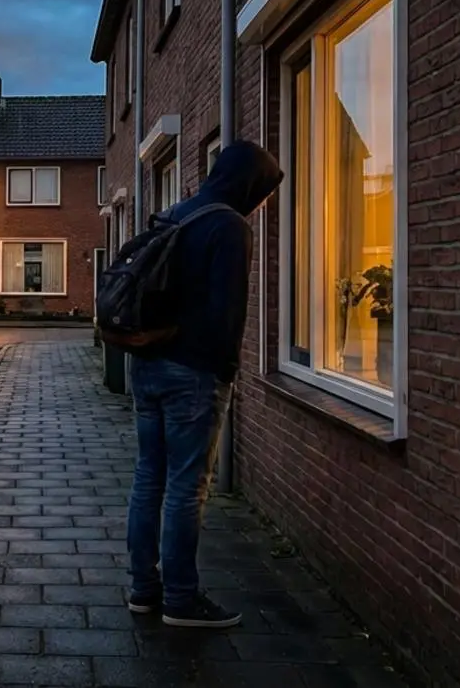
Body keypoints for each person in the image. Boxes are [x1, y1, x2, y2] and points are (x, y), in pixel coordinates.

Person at [123, 139, 283, 628]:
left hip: (146, 365)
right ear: (250, 183)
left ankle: (144, 590)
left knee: (149, 477)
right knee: (187, 487)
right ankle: (182, 599)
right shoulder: (229, 227)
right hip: (192, 375)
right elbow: (228, 314)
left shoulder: (176, 213)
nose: (263, 202)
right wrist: (226, 373)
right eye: (265, 191)